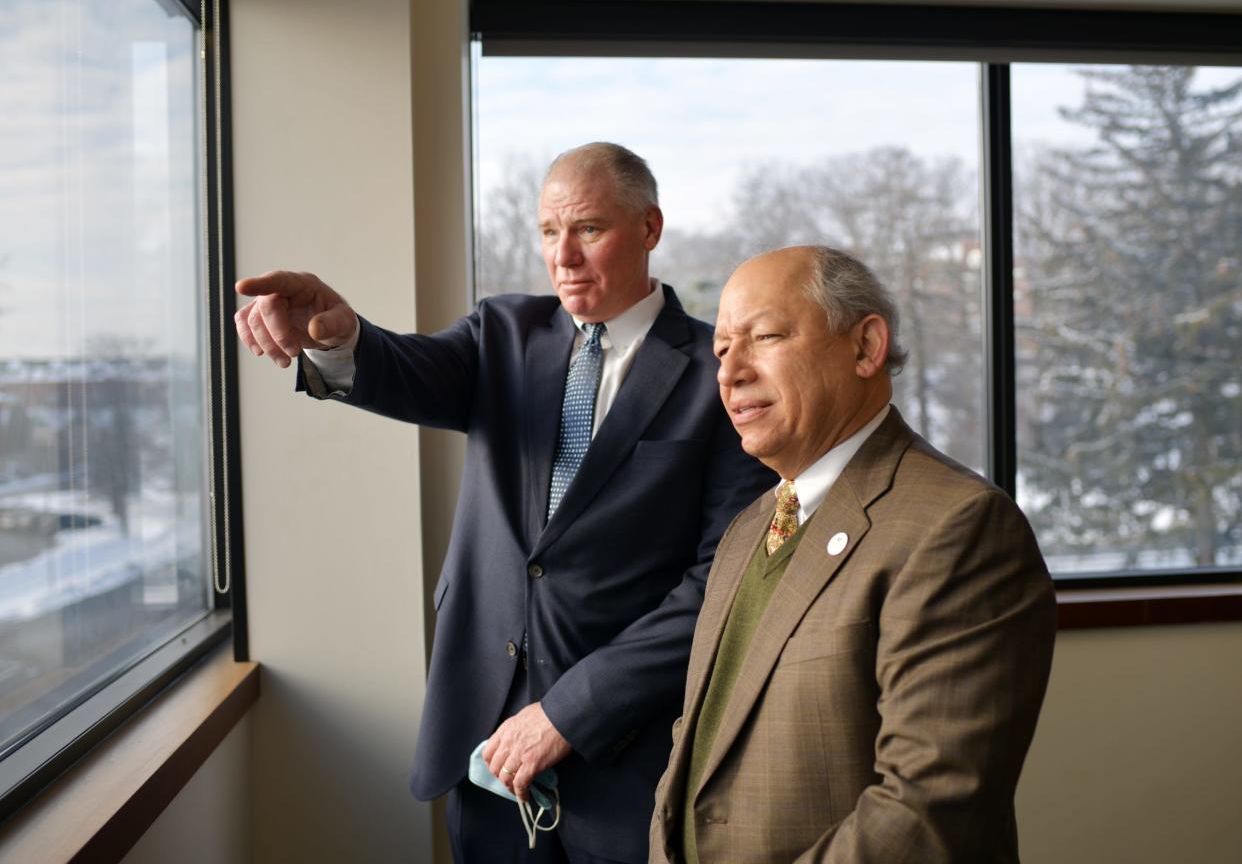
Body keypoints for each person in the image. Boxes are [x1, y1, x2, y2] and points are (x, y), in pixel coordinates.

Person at [234, 142, 775, 864]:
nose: (565, 256)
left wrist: (568, 711)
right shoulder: (504, 334)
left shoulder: (716, 377)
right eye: (550, 233)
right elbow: (405, 369)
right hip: (484, 735)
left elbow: (719, 585)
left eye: (588, 228)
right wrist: (341, 338)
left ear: (649, 228)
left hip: (630, 751)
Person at [649, 245, 1056, 864]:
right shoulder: (747, 531)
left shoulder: (958, 527)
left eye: (763, 336)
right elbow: (695, 752)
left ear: (866, 347)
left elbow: (927, 813)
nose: (730, 372)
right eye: (722, 349)